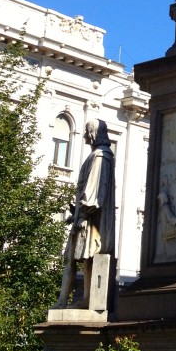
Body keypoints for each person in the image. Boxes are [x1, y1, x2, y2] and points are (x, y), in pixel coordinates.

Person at [54, 118, 116, 309]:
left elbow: (95, 190)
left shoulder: (100, 156)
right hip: (83, 216)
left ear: (94, 133)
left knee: (85, 258)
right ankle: (64, 300)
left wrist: (83, 214)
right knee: (72, 259)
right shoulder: (97, 155)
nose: (84, 136)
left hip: (90, 219)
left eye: (87, 131)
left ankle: (85, 300)